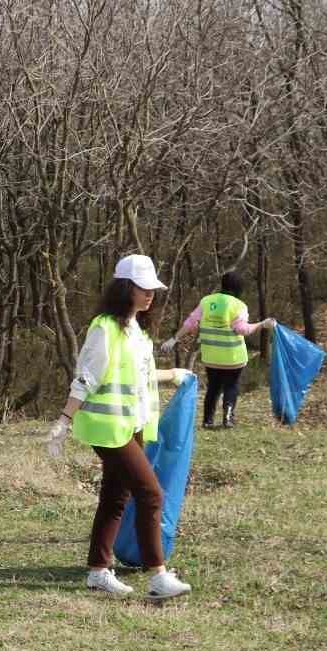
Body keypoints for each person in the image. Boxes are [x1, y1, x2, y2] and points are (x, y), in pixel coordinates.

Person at [46, 255, 194, 600]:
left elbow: (138, 377)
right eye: (144, 288)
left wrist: (173, 375)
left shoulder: (135, 332)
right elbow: (86, 377)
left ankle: (98, 571)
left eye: (153, 290)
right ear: (126, 288)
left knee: (116, 496)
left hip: (130, 425)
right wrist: (64, 421)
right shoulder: (105, 328)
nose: (150, 295)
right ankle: (158, 576)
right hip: (107, 429)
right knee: (151, 493)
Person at [160, 271, 277, 429]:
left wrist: (174, 339)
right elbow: (242, 329)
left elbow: (190, 323)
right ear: (239, 288)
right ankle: (227, 418)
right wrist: (262, 324)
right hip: (233, 357)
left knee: (213, 387)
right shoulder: (239, 305)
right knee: (231, 386)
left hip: (211, 357)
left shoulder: (206, 301)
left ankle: (207, 420)